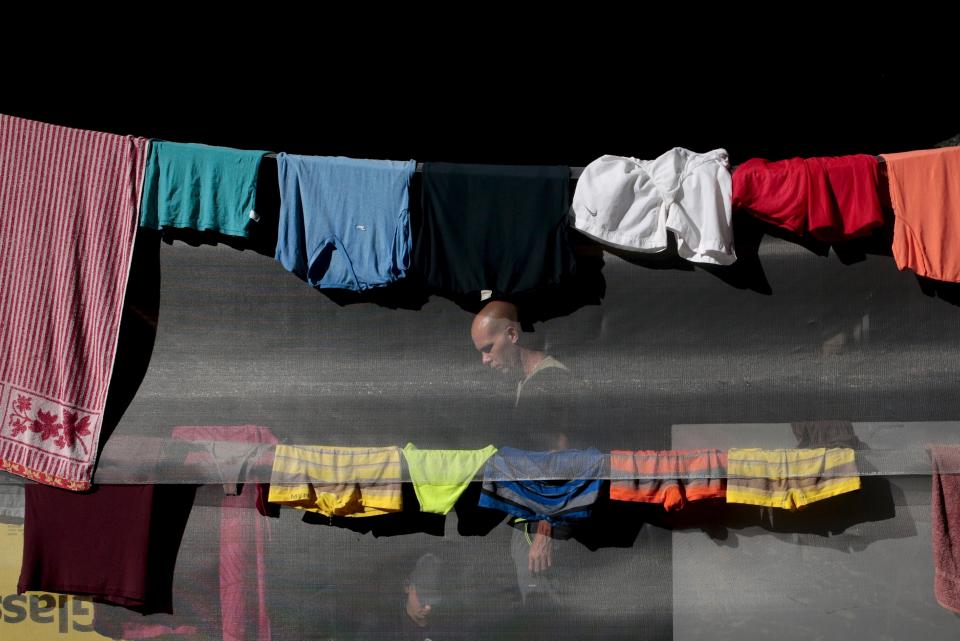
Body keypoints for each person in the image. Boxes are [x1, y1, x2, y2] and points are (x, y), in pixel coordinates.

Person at [470, 301, 585, 625]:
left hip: (548, 531)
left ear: (512, 334)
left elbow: (562, 458)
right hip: (532, 525)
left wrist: (544, 532)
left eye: (489, 348)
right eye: (481, 352)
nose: (485, 359)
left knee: (551, 621)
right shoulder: (526, 382)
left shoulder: (548, 380)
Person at [356, 553, 450, 641]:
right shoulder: (378, 627)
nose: (428, 607)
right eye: (422, 598)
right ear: (407, 586)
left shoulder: (446, 630)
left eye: (433, 599)